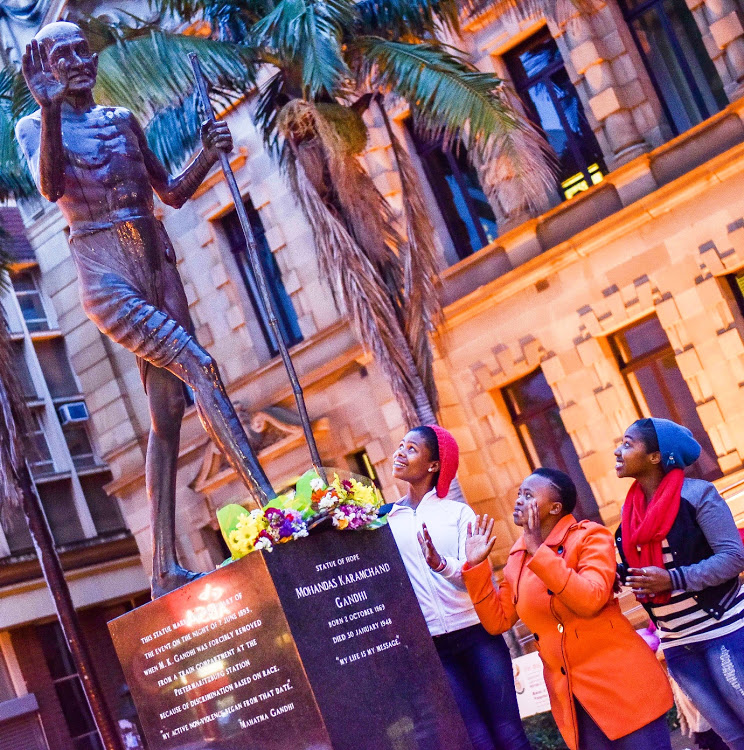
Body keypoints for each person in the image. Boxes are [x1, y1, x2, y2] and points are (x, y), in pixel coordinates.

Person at [15, 22, 275, 596]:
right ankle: (273, 510)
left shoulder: (121, 122)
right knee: (202, 368)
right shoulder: (34, 125)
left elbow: (172, 193)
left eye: (85, 51)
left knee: (167, 417)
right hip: (109, 276)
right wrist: (50, 111)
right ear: (48, 69)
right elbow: (50, 186)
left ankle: (163, 567)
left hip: (157, 265)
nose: (81, 62)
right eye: (65, 55)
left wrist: (208, 153)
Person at [463, 467, 674, 750]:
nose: (519, 501)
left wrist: (540, 552)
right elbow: (497, 621)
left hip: (623, 686)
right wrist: (476, 567)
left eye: (528, 495)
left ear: (555, 507)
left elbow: (590, 599)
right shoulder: (517, 556)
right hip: (573, 701)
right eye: (519, 494)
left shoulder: (590, 537)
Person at [386, 425, 532, 750]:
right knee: (476, 740)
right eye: (399, 446)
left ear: (433, 465)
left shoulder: (457, 513)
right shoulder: (386, 521)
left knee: (509, 734)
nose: (399, 452)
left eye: (410, 449)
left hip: (477, 635)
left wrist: (441, 564)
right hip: (433, 648)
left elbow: (473, 582)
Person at [615, 417, 744, 749]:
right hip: (678, 647)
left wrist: (673, 579)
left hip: (724, 633)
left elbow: (734, 557)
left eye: (628, 444)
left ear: (657, 456)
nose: (618, 450)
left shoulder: (698, 495)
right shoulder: (628, 519)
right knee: (732, 738)